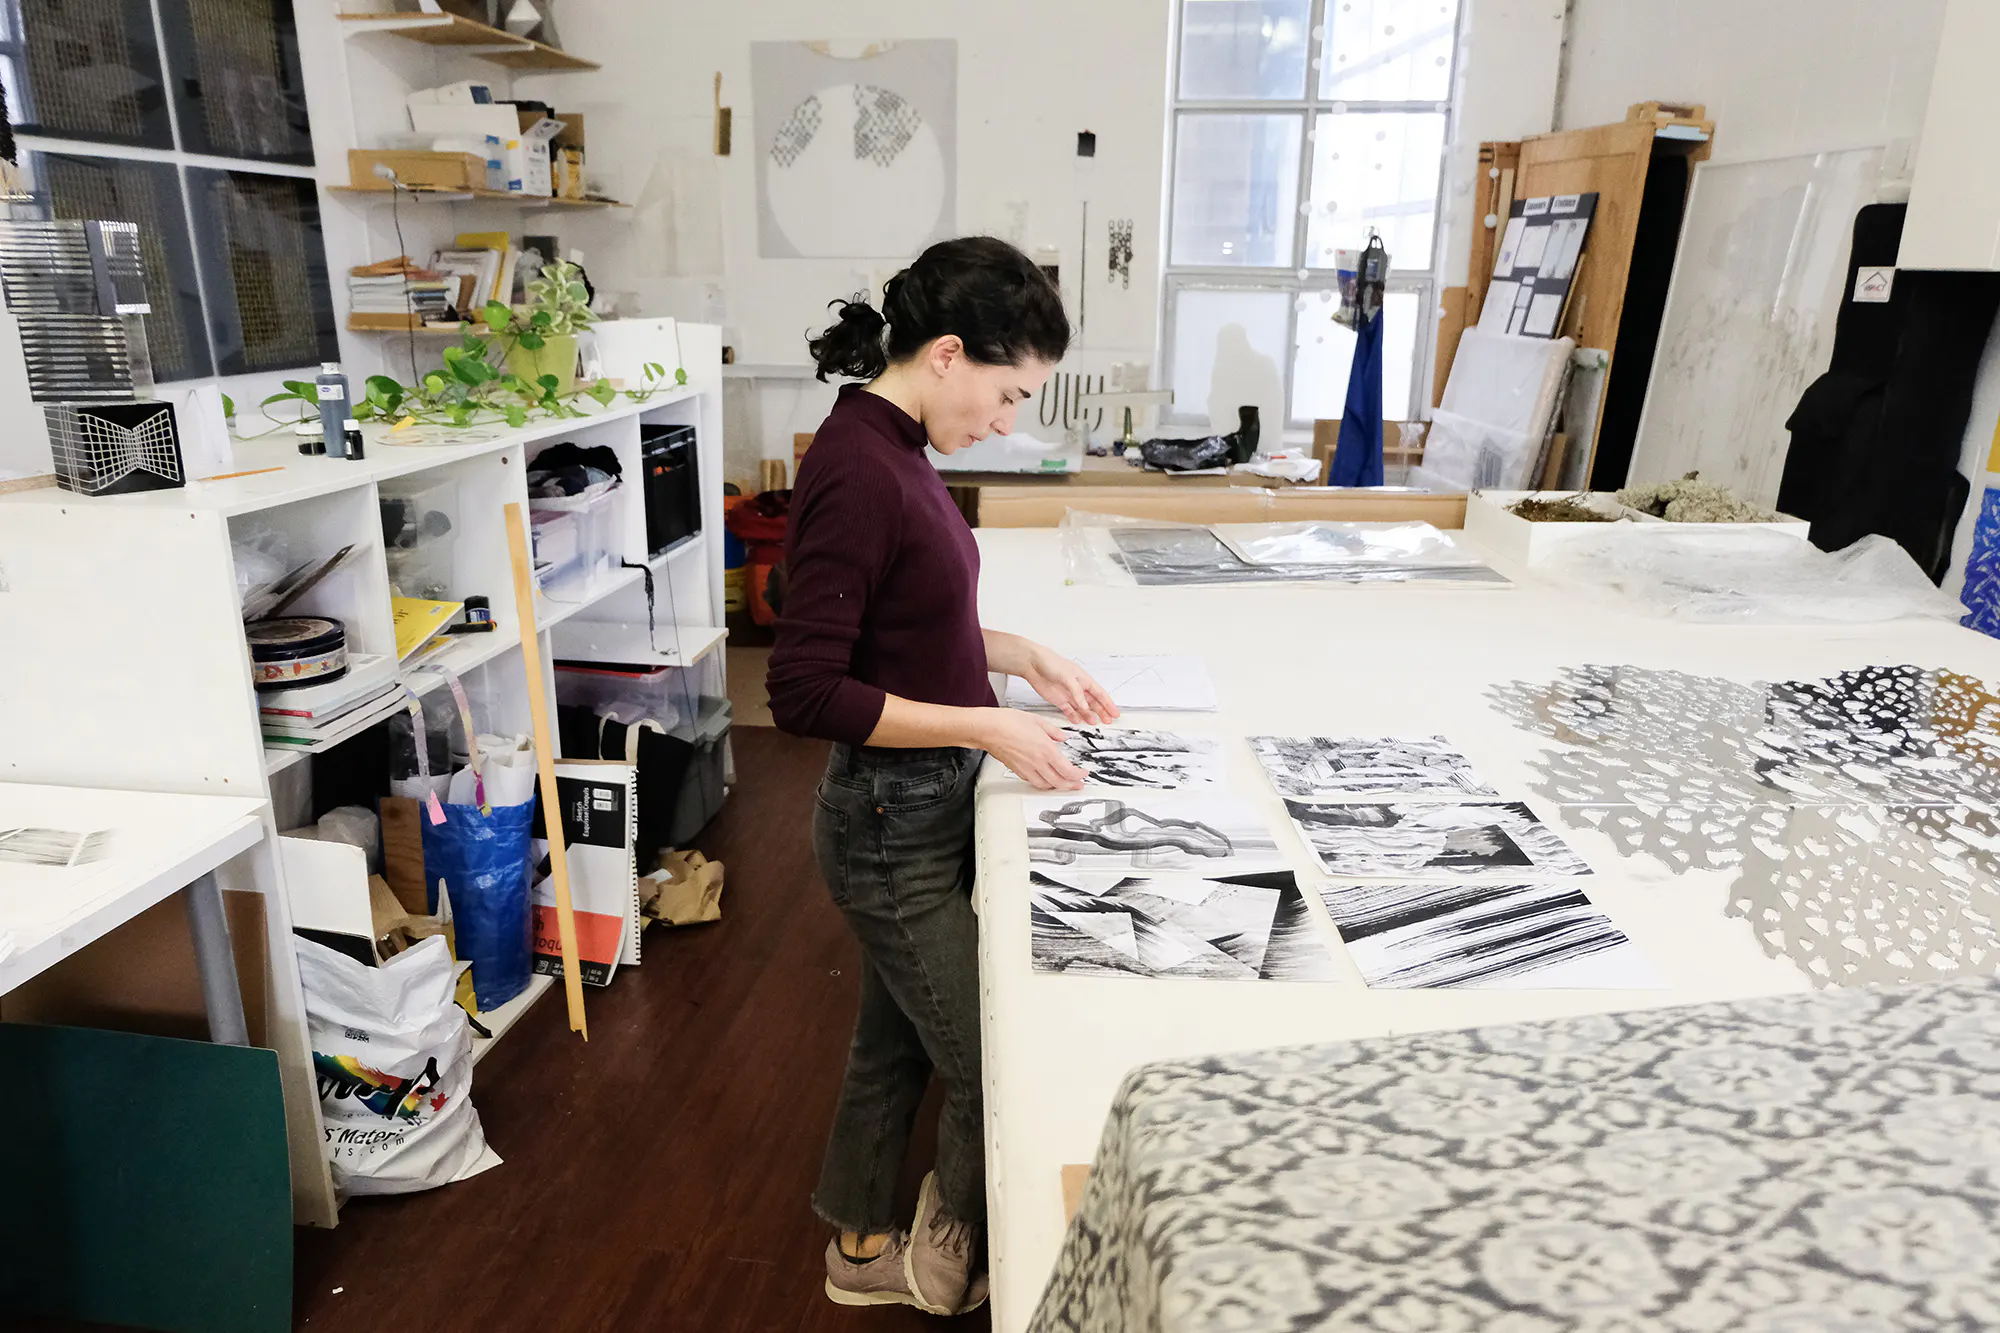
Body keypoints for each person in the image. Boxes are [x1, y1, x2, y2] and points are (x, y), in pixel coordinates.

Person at [767, 236, 1119, 1315]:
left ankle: (856, 1246)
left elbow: (906, 615)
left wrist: (1013, 654)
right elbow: (805, 691)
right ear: (948, 354)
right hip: (888, 820)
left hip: (913, 801)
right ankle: (938, 1256)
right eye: (1007, 393)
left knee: (894, 1039)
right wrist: (987, 726)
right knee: (979, 1056)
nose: (1006, 420)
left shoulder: (893, 443)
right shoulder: (858, 467)